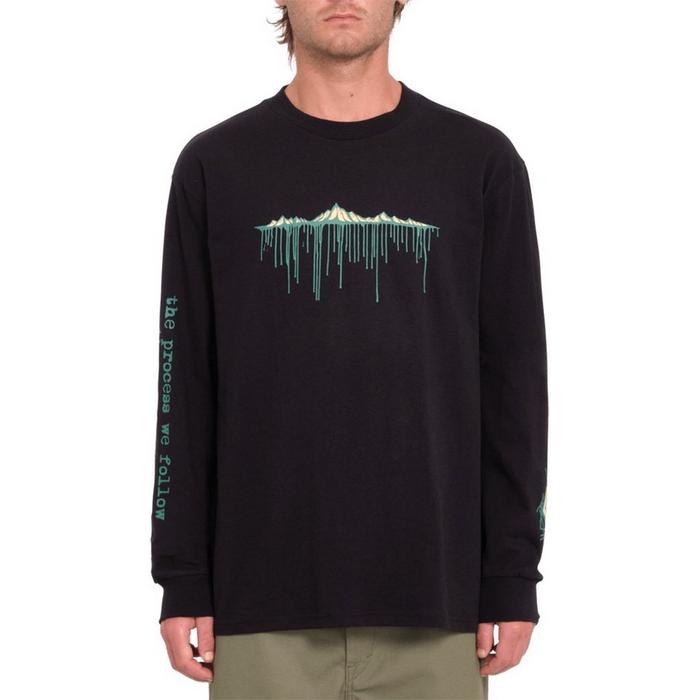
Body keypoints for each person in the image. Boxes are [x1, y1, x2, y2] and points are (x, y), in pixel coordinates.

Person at [150, 1, 548, 697]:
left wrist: (512, 575)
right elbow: (183, 386)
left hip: (439, 604)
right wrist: (181, 574)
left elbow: (516, 384)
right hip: (257, 607)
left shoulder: (480, 161)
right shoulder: (214, 164)